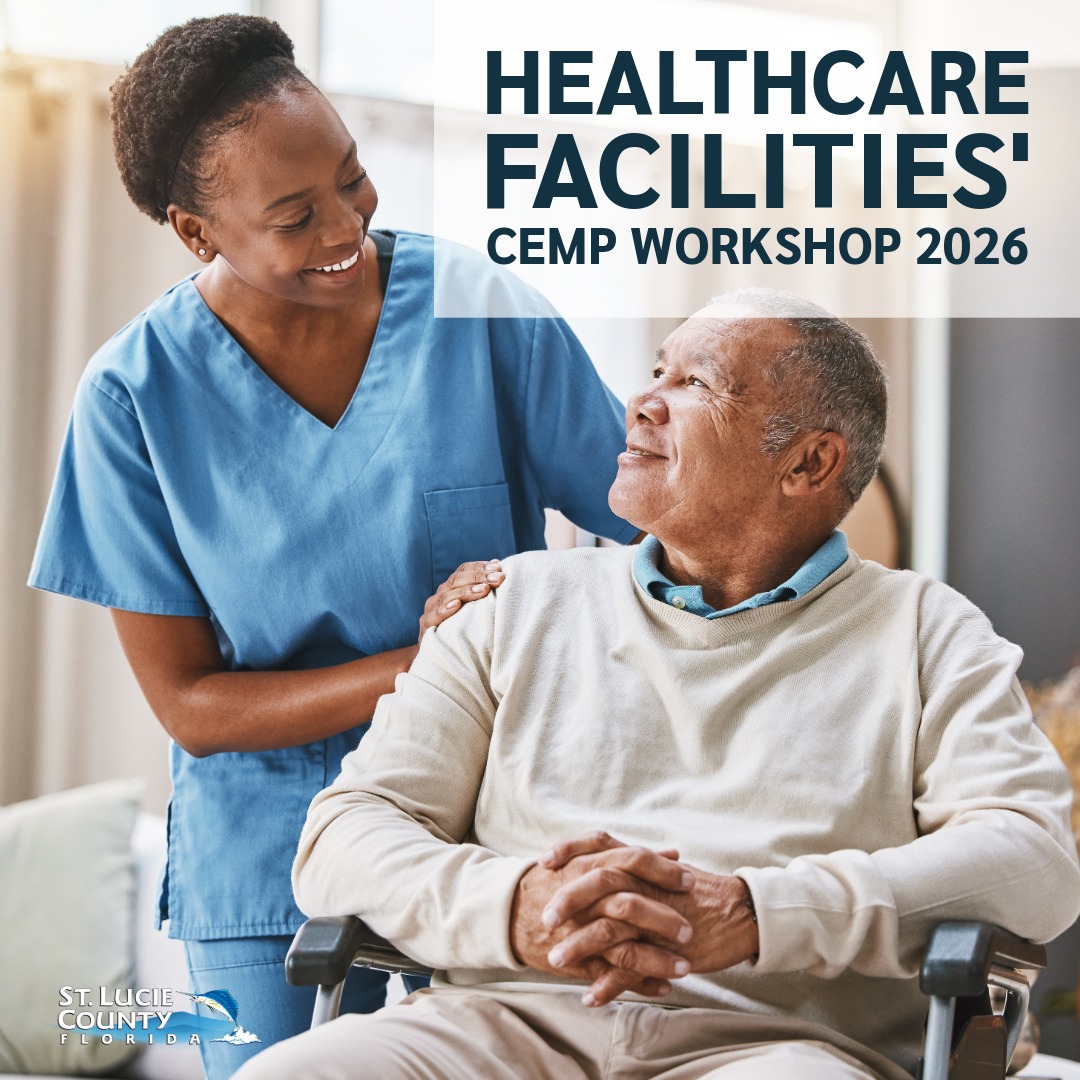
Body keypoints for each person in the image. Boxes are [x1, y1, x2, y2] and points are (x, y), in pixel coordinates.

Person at [236, 289, 1080, 1080]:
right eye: (656, 374)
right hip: (504, 1025)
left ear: (809, 463)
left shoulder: (928, 631)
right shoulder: (511, 603)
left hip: (774, 1046)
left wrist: (758, 911)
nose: (642, 404)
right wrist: (518, 904)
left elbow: (1033, 859)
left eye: (697, 384)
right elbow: (344, 835)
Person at [26, 14, 639, 1078]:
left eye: (352, 179)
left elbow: (658, 528)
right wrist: (432, 663)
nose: (345, 223)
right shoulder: (132, 399)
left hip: (495, 821)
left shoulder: (474, 309)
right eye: (295, 214)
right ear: (197, 231)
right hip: (269, 849)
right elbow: (192, 707)